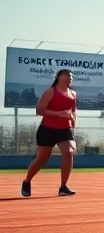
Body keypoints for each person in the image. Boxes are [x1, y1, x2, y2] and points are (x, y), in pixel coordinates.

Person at [20, 69, 78, 198]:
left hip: (65, 129)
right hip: (47, 128)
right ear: (59, 77)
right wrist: (59, 114)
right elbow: (39, 110)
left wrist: (73, 125)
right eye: (67, 75)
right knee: (42, 159)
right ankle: (27, 181)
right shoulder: (50, 92)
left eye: (71, 76)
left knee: (68, 152)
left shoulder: (73, 94)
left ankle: (63, 186)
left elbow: (73, 112)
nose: (70, 78)